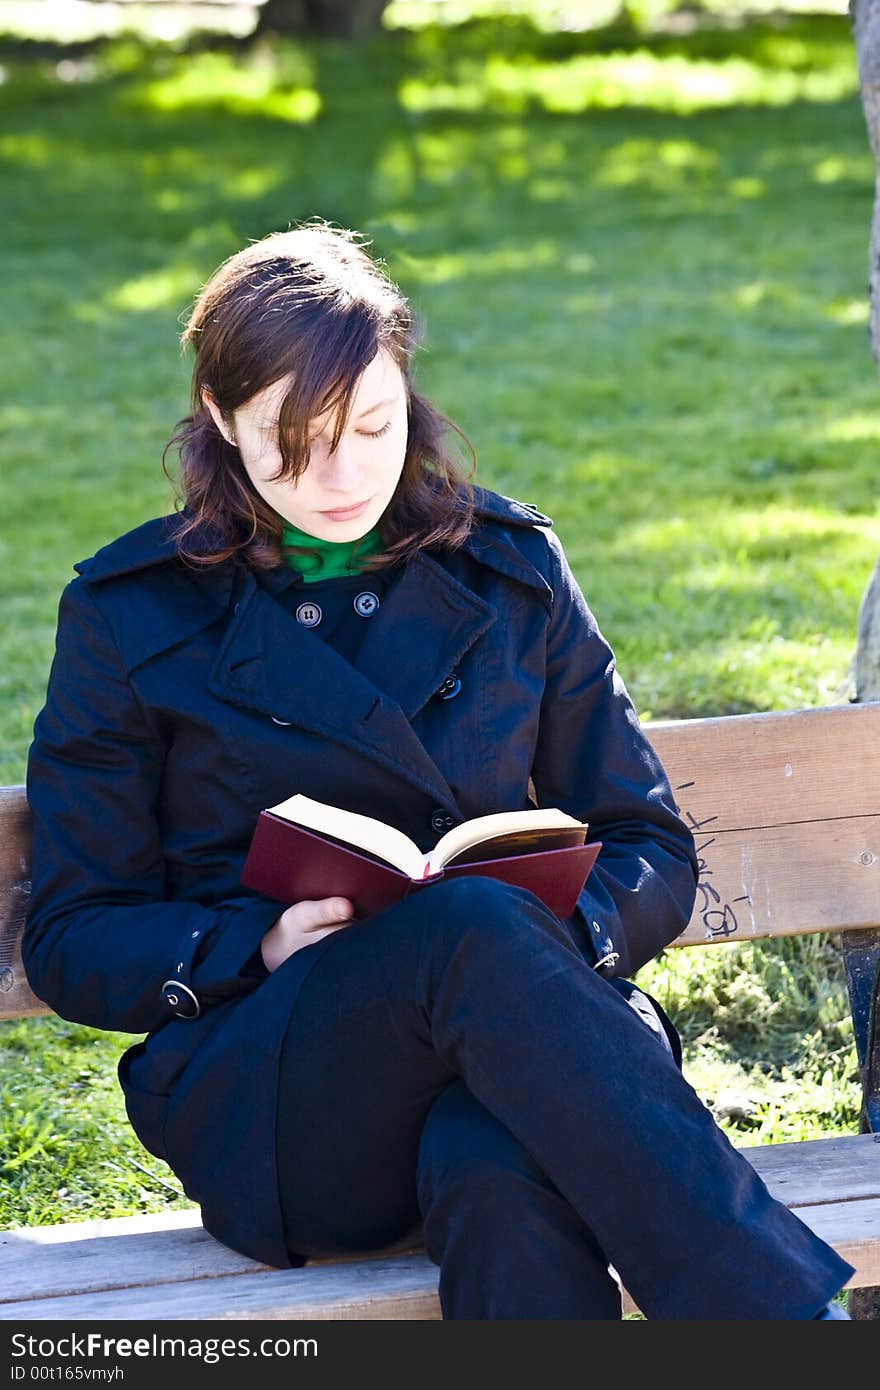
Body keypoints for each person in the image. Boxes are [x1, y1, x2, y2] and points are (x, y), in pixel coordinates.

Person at [23, 219, 853, 1320]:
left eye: (371, 425)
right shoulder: (132, 614)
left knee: (502, 1166)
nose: (339, 473)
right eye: (293, 438)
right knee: (470, 934)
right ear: (221, 420)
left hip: (526, 1060)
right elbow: (74, 931)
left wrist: (560, 935)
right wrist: (253, 940)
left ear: (405, 395)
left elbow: (647, 840)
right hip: (281, 1096)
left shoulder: (508, 570)